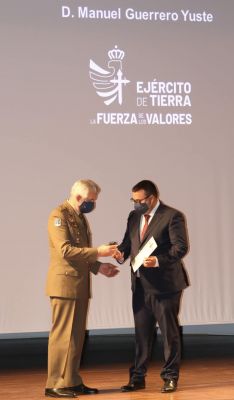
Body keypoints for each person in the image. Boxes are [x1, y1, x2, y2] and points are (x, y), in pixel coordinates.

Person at [45, 179, 120, 398]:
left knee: (76, 336)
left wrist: (98, 267)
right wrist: (99, 251)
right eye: (91, 201)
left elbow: (80, 252)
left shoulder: (78, 216)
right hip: (64, 283)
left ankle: (71, 381)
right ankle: (54, 383)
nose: (92, 205)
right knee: (62, 336)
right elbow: (66, 251)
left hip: (78, 283)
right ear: (79, 197)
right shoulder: (58, 216)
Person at [115, 180, 189, 393]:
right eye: (133, 200)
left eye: (139, 201)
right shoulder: (134, 216)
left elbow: (181, 248)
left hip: (165, 285)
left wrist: (157, 261)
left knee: (169, 333)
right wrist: (119, 253)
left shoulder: (172, 216)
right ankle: (137, 378)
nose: (136, 204)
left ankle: (170, 377)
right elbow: (127, 245)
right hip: (140, 284)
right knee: (141, 334)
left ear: (152, 198)